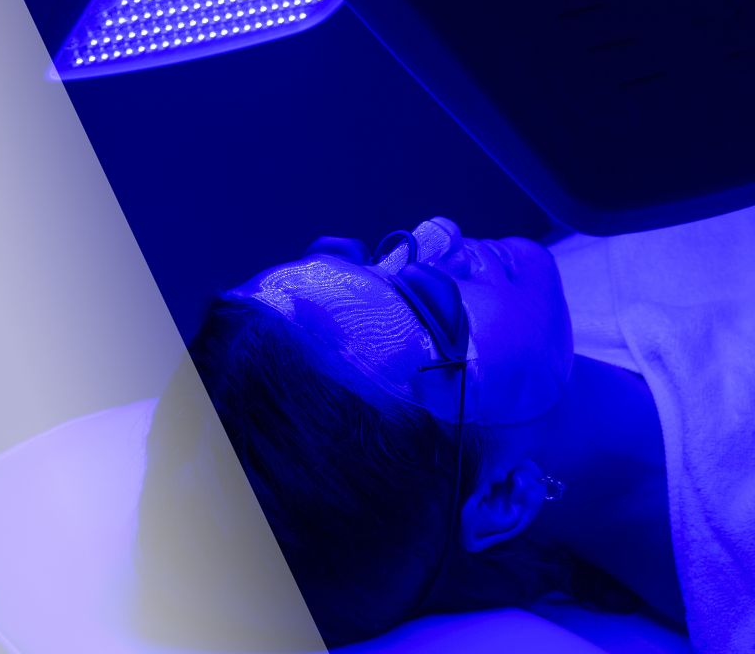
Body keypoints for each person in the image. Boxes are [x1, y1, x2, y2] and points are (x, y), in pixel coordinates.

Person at [137, 211, 755, 652]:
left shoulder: (578, 261)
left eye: (369, 258)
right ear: (502, 495)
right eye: (435, 312)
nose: (438, 233)